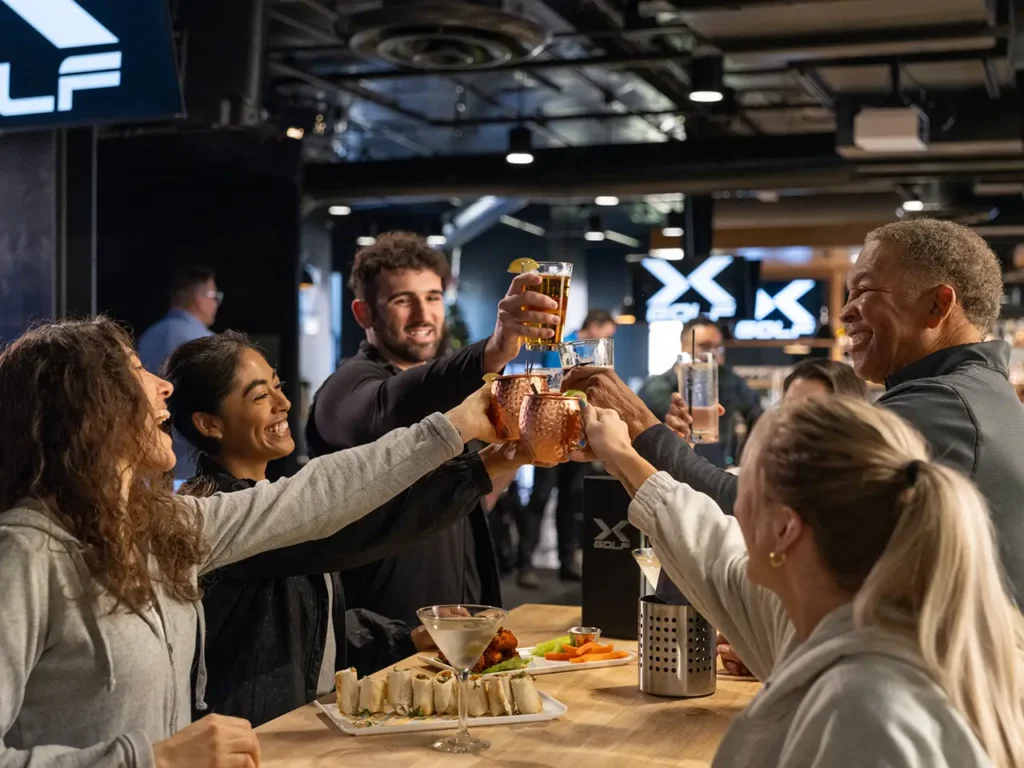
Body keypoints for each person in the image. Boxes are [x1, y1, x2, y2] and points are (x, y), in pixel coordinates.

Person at [0, 317, 497, 766]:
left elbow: (320, 495)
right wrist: (154, 762)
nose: (162, 386)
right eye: (134, 373)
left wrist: (460, 427)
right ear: (81, 408)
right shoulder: (24, 554)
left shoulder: (165, 525)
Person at [574, 219, 1024, 604]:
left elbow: (767, 514)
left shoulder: (939, 407)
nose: (845, 312)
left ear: (937, 305)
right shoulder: (975, 394)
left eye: (864, 290)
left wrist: (641, 431)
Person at [581, 397, 1024, 768]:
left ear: (785, 530)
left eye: (743, 488)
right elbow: (712, 549)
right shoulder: (844, 614)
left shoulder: (867, 715)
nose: (732, 509)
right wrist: (623, 456)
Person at [165, 332, 532, 725]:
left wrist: (402, 638)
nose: (283, 403)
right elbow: (366, 525)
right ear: (209, 424)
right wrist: (483, 457)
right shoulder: (217, 518)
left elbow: (312, 623)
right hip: (256, 743)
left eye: (278, 385)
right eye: (259, 396)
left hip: (301, 734)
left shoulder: (268, 497)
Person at [307, 231, 563, 624]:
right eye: (401, 300)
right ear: (364, 314)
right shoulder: (347, 387)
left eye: (432, 297)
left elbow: (469, 495)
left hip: (463, 612)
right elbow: (389, 406)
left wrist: (521, 448)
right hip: (385, 634)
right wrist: (492, 349)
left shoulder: (448, 391)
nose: (423, 315)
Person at [520, 309, 618, 588]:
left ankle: (566, 562)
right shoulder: (561, 345)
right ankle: (525, 564)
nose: (609, 339)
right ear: (595, 326)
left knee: (571, 499)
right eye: (608, 332)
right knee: (540, 497)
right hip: (549, 432)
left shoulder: (598, 354)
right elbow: (550, 382)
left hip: (580, 434)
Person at [639, 317, 762, 468]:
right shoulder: (655, 387)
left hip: (716, 474)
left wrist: (743, 458)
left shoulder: (731, 382)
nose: (713, 353)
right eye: (704, 346)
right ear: (683, 346)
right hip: (668, 473)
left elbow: (758, 417)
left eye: (718, 347)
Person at [137, 265, 222, 479]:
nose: (216, 303)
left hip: (151, 457)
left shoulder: (149, 336)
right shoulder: (207, 342)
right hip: (195, 459)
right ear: (198, 298)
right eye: (214, 296)